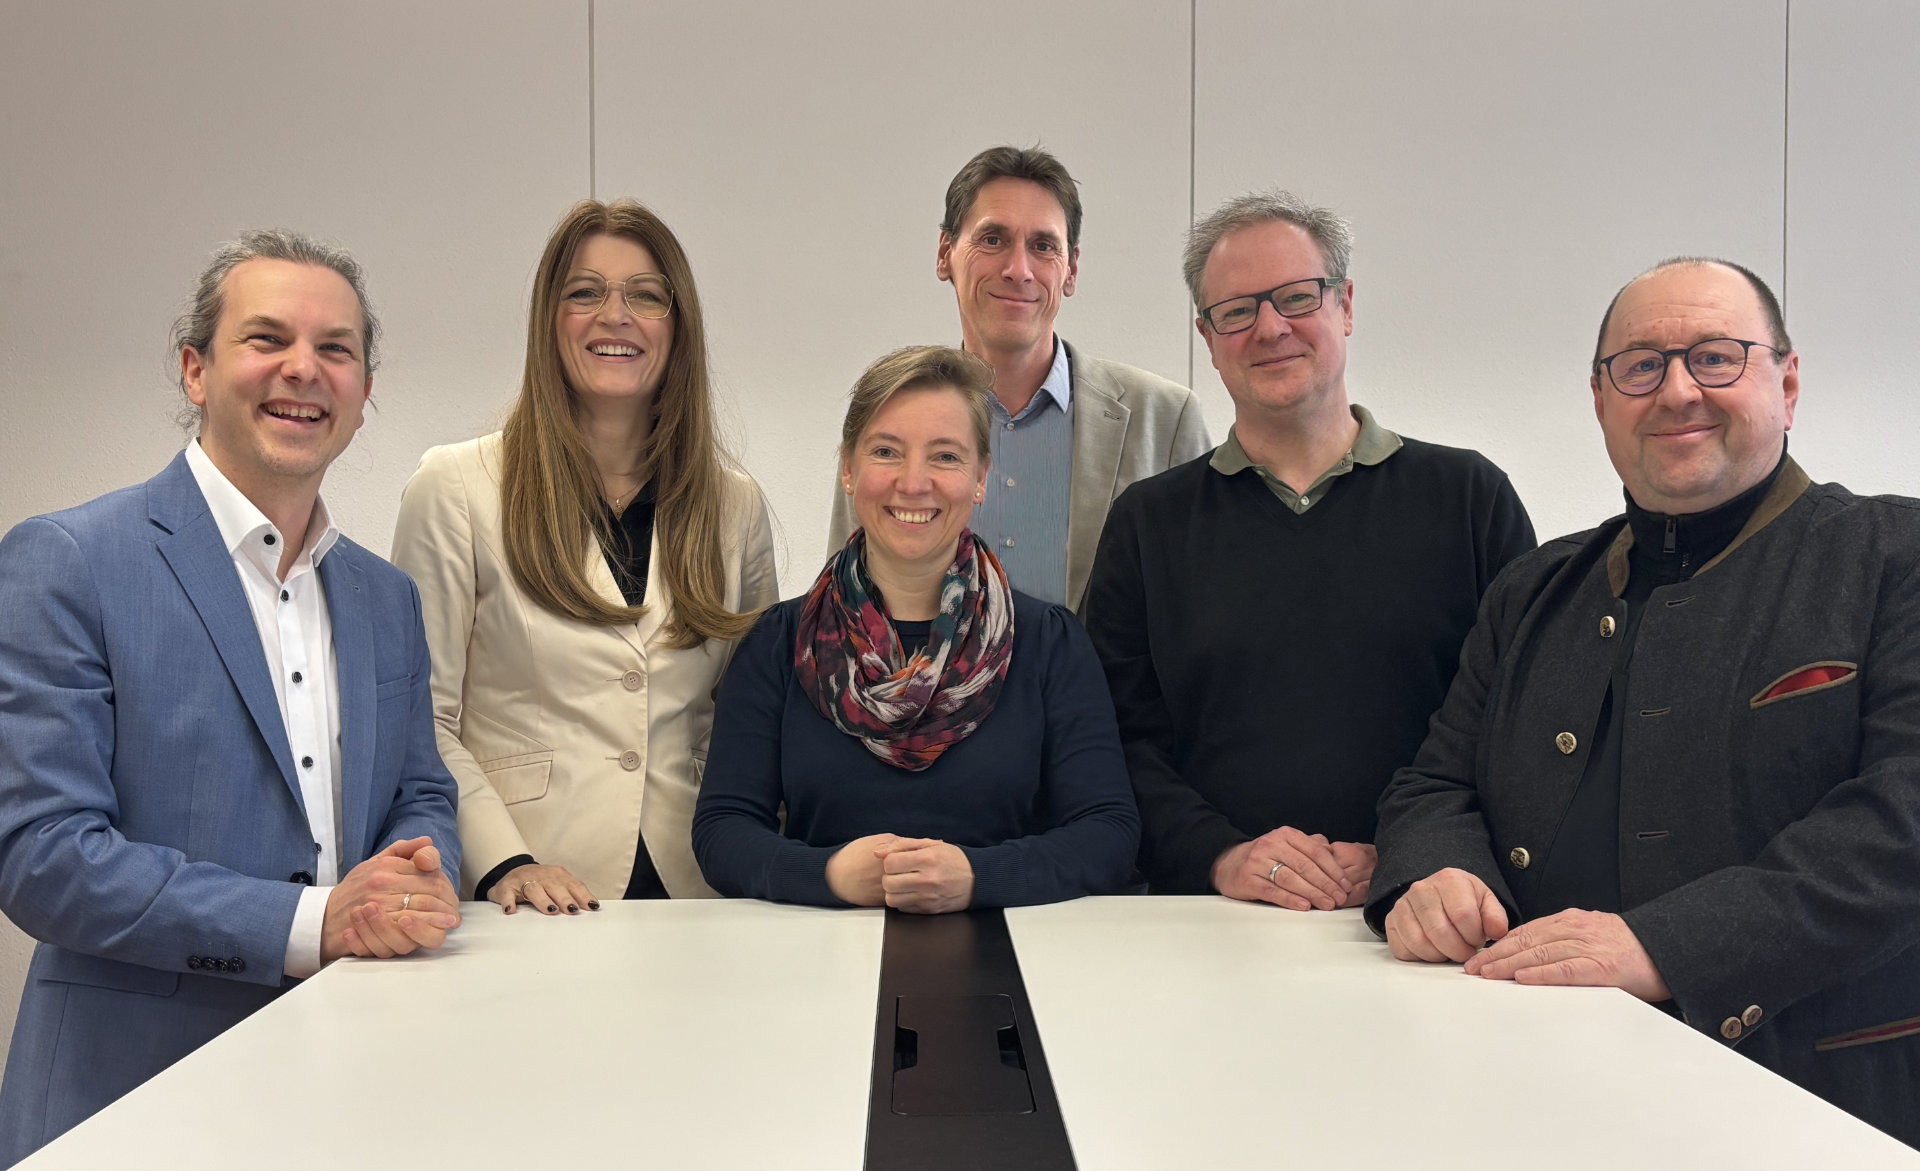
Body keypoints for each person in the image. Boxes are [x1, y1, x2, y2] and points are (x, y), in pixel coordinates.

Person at [1368, 257, 1920, 1146]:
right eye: (1640, 366)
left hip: (1816, 1091)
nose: (1676, 391)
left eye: (1715, 357)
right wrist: (1437, 870)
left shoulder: (1895, 556)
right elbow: (1433, 780)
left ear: (1786, 380)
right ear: (1599, 399)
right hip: (1531, 1076)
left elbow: (1904, 822)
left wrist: (1665, 944)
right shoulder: (1535, 586)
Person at [0, 231, 461, 1164]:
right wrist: (310, 923)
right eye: (266, 338)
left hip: (356, 1084)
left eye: (337, 349)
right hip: (127, 1096)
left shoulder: (386, 597)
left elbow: (421, 788)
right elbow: (44, 856)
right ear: (194, 368)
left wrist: (415, 875)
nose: (304, 368)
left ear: (364, 395)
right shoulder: (69, 561)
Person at [1086, 191, 1534, 908]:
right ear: (1208, 336)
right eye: (1237, 311)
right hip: (1205, 922)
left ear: (1346, 305)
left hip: (1427, 914)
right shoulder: (1148, 525)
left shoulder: (1470, 500)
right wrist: (1225, 855)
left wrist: (1407, 851)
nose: (1270, 328)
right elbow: (1114, 738)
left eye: (1297, 297)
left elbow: (1518, 726)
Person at [391, 199, 777, 916]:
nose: (615, 314)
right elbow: (422, 718)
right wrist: (506, 862)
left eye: (646, 295)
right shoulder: (455, 488)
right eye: (585, 292)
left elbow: (748, 713)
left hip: (698, 889)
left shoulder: (735, 504)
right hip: (526, 889)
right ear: (549, 320)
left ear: (678, 326)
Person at [695, 346, 1138, 910]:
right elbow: (722, 830)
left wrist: (979, 876)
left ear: (981, 477)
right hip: (817, 963)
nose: (913, 482)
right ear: (848, 470)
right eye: (886, 451)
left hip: (1016, 961)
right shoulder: (780, 642)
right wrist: (826, 873)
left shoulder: (1050, 642)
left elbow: (1108, 833)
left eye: (945, 457)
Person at [827, 145, 1210, 611]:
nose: (1018, 269)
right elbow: (843, 603)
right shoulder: (888, 414)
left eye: (1043, 246)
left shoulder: (1166, 421)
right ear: (945, 253)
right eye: (993, 240)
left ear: (1070, 269)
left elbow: (1200, 608)